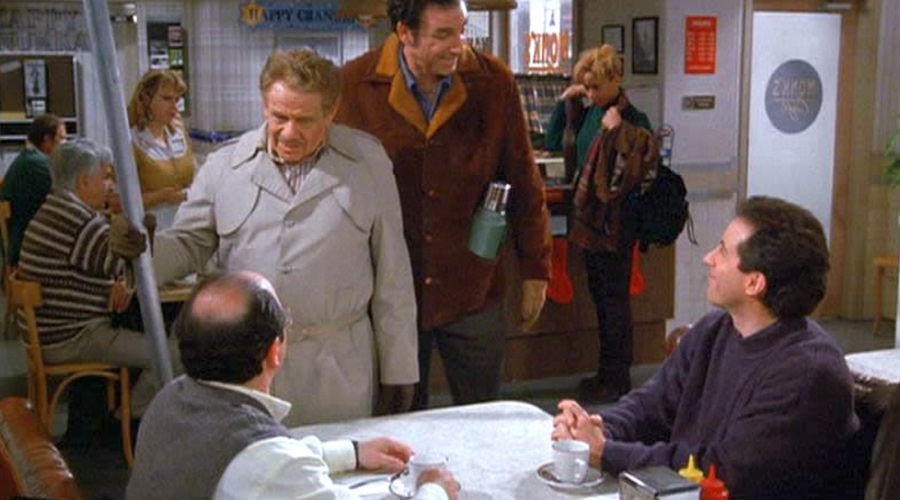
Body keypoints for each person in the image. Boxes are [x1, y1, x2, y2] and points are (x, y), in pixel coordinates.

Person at [151, 49, 418, 425]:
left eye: (305, 120)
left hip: (339, 370)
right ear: (264, 106)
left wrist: (400, 368)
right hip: (248, 369)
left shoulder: (367, 163)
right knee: (255, 458)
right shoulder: (225, 167)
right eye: (280, 117)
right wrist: (144, 251)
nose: (290, 133)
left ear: (331, 111)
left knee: (339, 459)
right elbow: (187, 245)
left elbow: (394, 275)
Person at [552, 196, 859, 500]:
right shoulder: (715, 329)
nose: (708, 258)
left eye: (722, 252)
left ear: (754, 283)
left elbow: (720, 471)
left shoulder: (807, 374)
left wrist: (606, 452)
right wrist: (598, 428)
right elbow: (652, 404)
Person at [336, 0, 552, 410]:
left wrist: (536, 269)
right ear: (404, 33)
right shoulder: (354, 85)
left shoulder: (493, 82)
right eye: (443, 35)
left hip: (473, 285)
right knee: (399, 416)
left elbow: (524, 180)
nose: (458, 46)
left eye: (462, 31)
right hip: (391, 288)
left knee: (482, 415)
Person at [127, 271, 459, 500]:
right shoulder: (272, 464)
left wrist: (352, 453)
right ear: (275, 351)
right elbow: (267, 465)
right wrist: (435, 489)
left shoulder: (167, 401)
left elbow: (250, 461)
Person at [17, 138, 174, 417]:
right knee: (170, 355)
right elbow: (134, 265)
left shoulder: (54, 208)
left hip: (48, 334)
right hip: (73, 338)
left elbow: (112, 267)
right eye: (105, 177)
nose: (110, 186)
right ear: (83, 181)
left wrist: (120, 281)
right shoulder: (80, 221)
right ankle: (132, 416)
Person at [545, 44, 657, 403]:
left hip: (617, 223)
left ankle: (617, 378)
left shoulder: (633, 118)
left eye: (596, 87)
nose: (591, 94)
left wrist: (618, 131)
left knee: (614, 302)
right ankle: (605, 374)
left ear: (615, 80)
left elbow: (641, 166)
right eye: (587, 87)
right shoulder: (590, 112)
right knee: (601, 299)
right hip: (591, 220)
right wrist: (565, 103)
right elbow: (553, 141)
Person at [127, 69, 194, 229]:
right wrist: (161, 197)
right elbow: (115, 201)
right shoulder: (131, 141)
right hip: (152, 230)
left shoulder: (179, 134)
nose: (174, 106)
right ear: (146, 99)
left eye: (177, 99)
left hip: (186, 226)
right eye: (166, 98)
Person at [1, 113, 66, 267]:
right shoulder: (37, 165)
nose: (66, 143)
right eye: (62, 138)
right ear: (47, 140)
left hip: (24, 241)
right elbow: (67, 195)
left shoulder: (29, 159)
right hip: (29, 248)